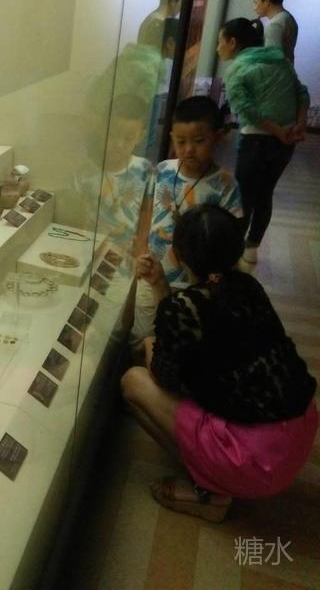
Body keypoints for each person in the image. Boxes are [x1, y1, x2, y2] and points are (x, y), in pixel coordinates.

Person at [123, 204, 317, 522]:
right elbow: (193, 321)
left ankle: (210, 492)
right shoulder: (248, 286)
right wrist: (160, 285)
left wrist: (149, 342)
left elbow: (163, 375)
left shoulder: (183, 306)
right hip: (298, 435)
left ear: (177, 255)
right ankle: (216, 472)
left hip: (254, 461)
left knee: (133, 380)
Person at [131, 96, 241, 344]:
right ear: (171, 138)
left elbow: (229, 239)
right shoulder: (162, 170)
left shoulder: (226, 184)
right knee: (142, 336)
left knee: (179, 341)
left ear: (217, 137)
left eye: (199, 141)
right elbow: (147, 212)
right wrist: (141, 251)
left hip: (195, 286)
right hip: (153, 273)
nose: (189, 149)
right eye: (181, 141)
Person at [218, 17, 309, 264]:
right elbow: (302, 93)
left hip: (256, 141)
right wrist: (299, 124)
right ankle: (252, 247)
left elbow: (246, 109)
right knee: (265, 193)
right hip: (285, 142)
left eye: (220, 41)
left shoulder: (237, 68)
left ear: (233, 42)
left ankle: (232, 252)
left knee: (244, 197)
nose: (218, 48)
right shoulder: (280, 60)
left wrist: (276, 130)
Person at [75, 94, 153, 258]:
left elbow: (147, 213)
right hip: (88, 254)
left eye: (128, 138)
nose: (119, 144)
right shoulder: (85, 172)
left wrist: (141, 248)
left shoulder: (145, 170)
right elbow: (77, 218)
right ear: (103, 129)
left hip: (126, 258)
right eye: (113, 135)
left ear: (140, 137)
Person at [252, 0, 298, 64]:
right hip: (287, 69)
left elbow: (271, 62)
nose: (254, 8)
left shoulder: (274, 25)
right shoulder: (288, 17)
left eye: (256, 2)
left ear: (267, 1)